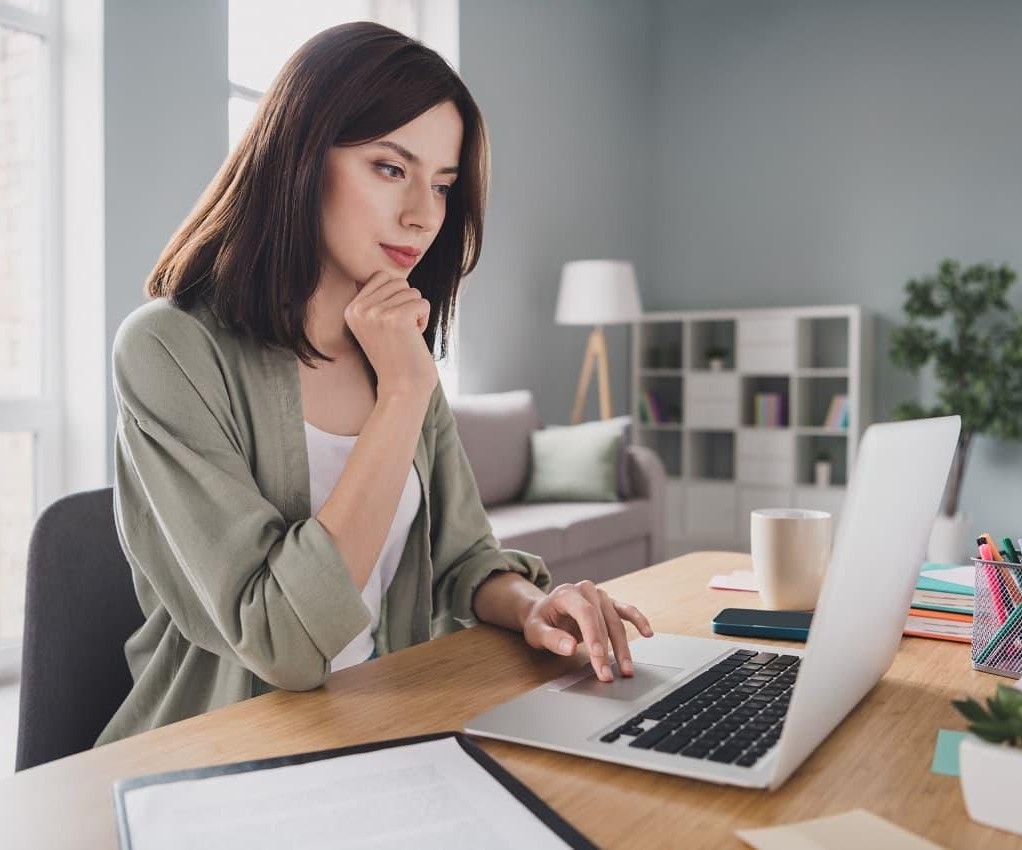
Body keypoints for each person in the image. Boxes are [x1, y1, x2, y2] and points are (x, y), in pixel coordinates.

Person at [94, 22, 654, 746]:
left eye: (443, 185)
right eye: (391, 168)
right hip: (228, 746)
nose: (423, 215)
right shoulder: (170, 350)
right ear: (300, 154)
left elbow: (462, 558)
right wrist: (400, 396)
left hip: (392, 717)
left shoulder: (397, 350)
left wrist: (529, 604)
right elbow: (285, 643)